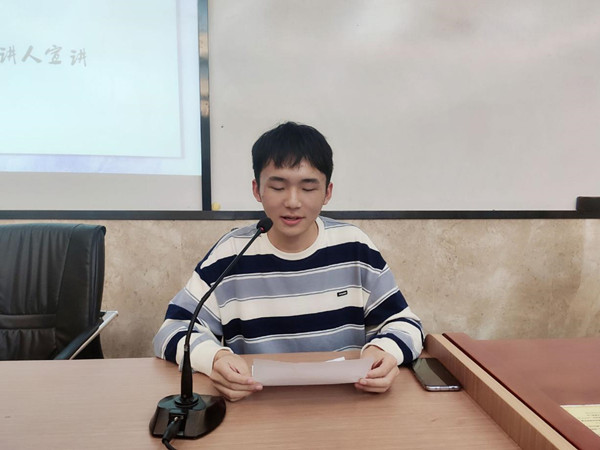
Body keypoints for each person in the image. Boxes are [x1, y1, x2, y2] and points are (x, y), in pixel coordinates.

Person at [153, 122, 424, 401]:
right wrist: (214, 359)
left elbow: (406, 324)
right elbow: (172, 329)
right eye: (278, 186)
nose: (293, 202)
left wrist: (384, 351)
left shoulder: (354, 247)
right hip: (256, 403)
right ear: (257, 189)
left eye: (308, 188)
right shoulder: (231, 253)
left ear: (327, 192)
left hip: (345, 402)